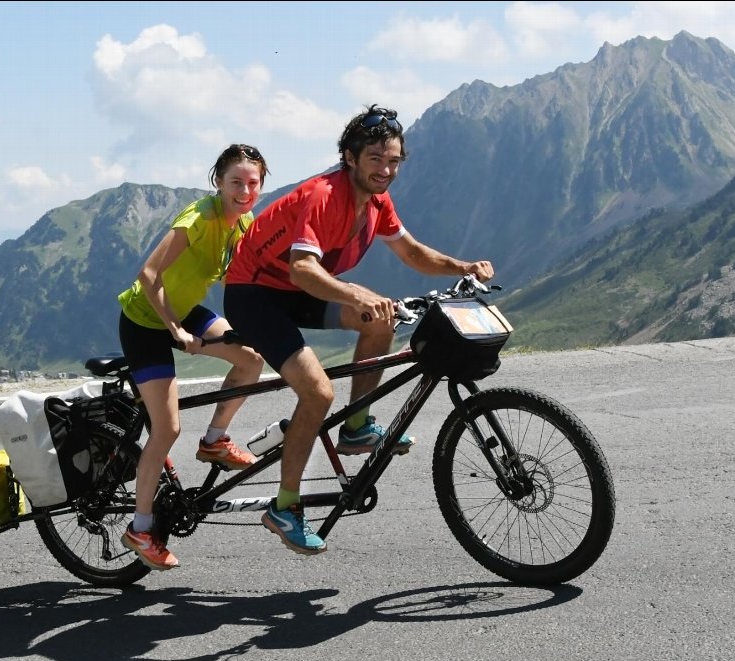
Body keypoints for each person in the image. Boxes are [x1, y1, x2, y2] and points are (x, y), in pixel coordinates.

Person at [223, 105, 494, 556]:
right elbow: (304, 270)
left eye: (394, 162)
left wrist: (462, 266)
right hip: (255, 295)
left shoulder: (376, 201)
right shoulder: (323, 196)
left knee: (381, 319)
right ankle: (285, 508)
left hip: (295, 290)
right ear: (350, 158)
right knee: (317, 393)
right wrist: (354, 294)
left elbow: (411, 253)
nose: (386, 170)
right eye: (375, 159)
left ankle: (355, 427)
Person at [117, 144, 270, 571]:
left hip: (187, 310)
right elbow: (148, 275)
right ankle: (141, 528)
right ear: (218, 181)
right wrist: (175, 331)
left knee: (251, 360)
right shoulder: (199, 218)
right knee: (166, 428)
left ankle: (214, 440)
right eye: (235, 182)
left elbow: (248, 278)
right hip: (146, 320)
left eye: (252, 183)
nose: (244, 191)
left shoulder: (244, 222)